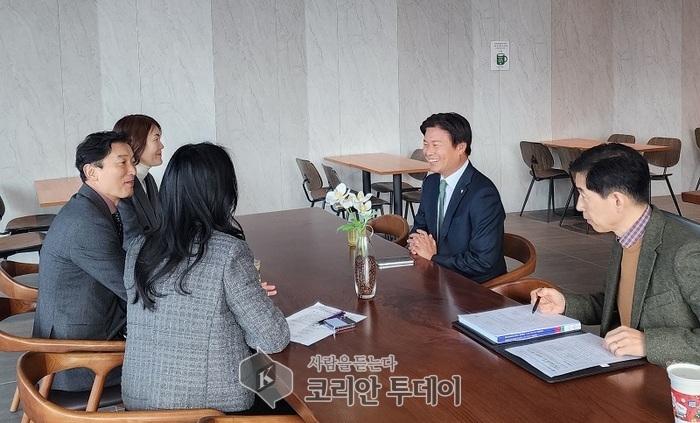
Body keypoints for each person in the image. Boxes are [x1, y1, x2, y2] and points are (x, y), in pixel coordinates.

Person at [122, 142, 290, 413]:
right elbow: (272, 338)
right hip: (209, 409)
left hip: (141, 404)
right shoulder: (228, 251)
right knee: (286, 393)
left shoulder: (139, 248)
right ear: (221, 192)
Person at [532, 143, 700, 366]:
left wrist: (648, 343)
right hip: (623, 366)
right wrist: (566, 304)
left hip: (666, 379)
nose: (579, 206)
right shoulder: (625, 236)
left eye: (583, 195)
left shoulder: (685, 253)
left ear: (617, 200)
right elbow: (618, 303)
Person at [33, 131, 135, 390]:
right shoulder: (87, 223)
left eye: (132, 161)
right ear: (92, 172)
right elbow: (131, 289)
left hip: (88, 335)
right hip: (76, 362)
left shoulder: (91, 207)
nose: (133, 170)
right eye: (122, 163)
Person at [407, 112, 506, 283]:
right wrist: (416, 244)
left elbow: (483, 262)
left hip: (474, 286)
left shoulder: (483, 194)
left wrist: (434, 258)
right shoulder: (431, 183)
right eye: (425, 144)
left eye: (436, 145)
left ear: (460, 147)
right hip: (435, 278)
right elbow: (419, 229)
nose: (428, 152)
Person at [113, 114, 164, 249]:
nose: (161, 146)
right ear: (136, 141)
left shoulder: (148, 179)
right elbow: (131, 241)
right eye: (156, 139)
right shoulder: (121, 187)